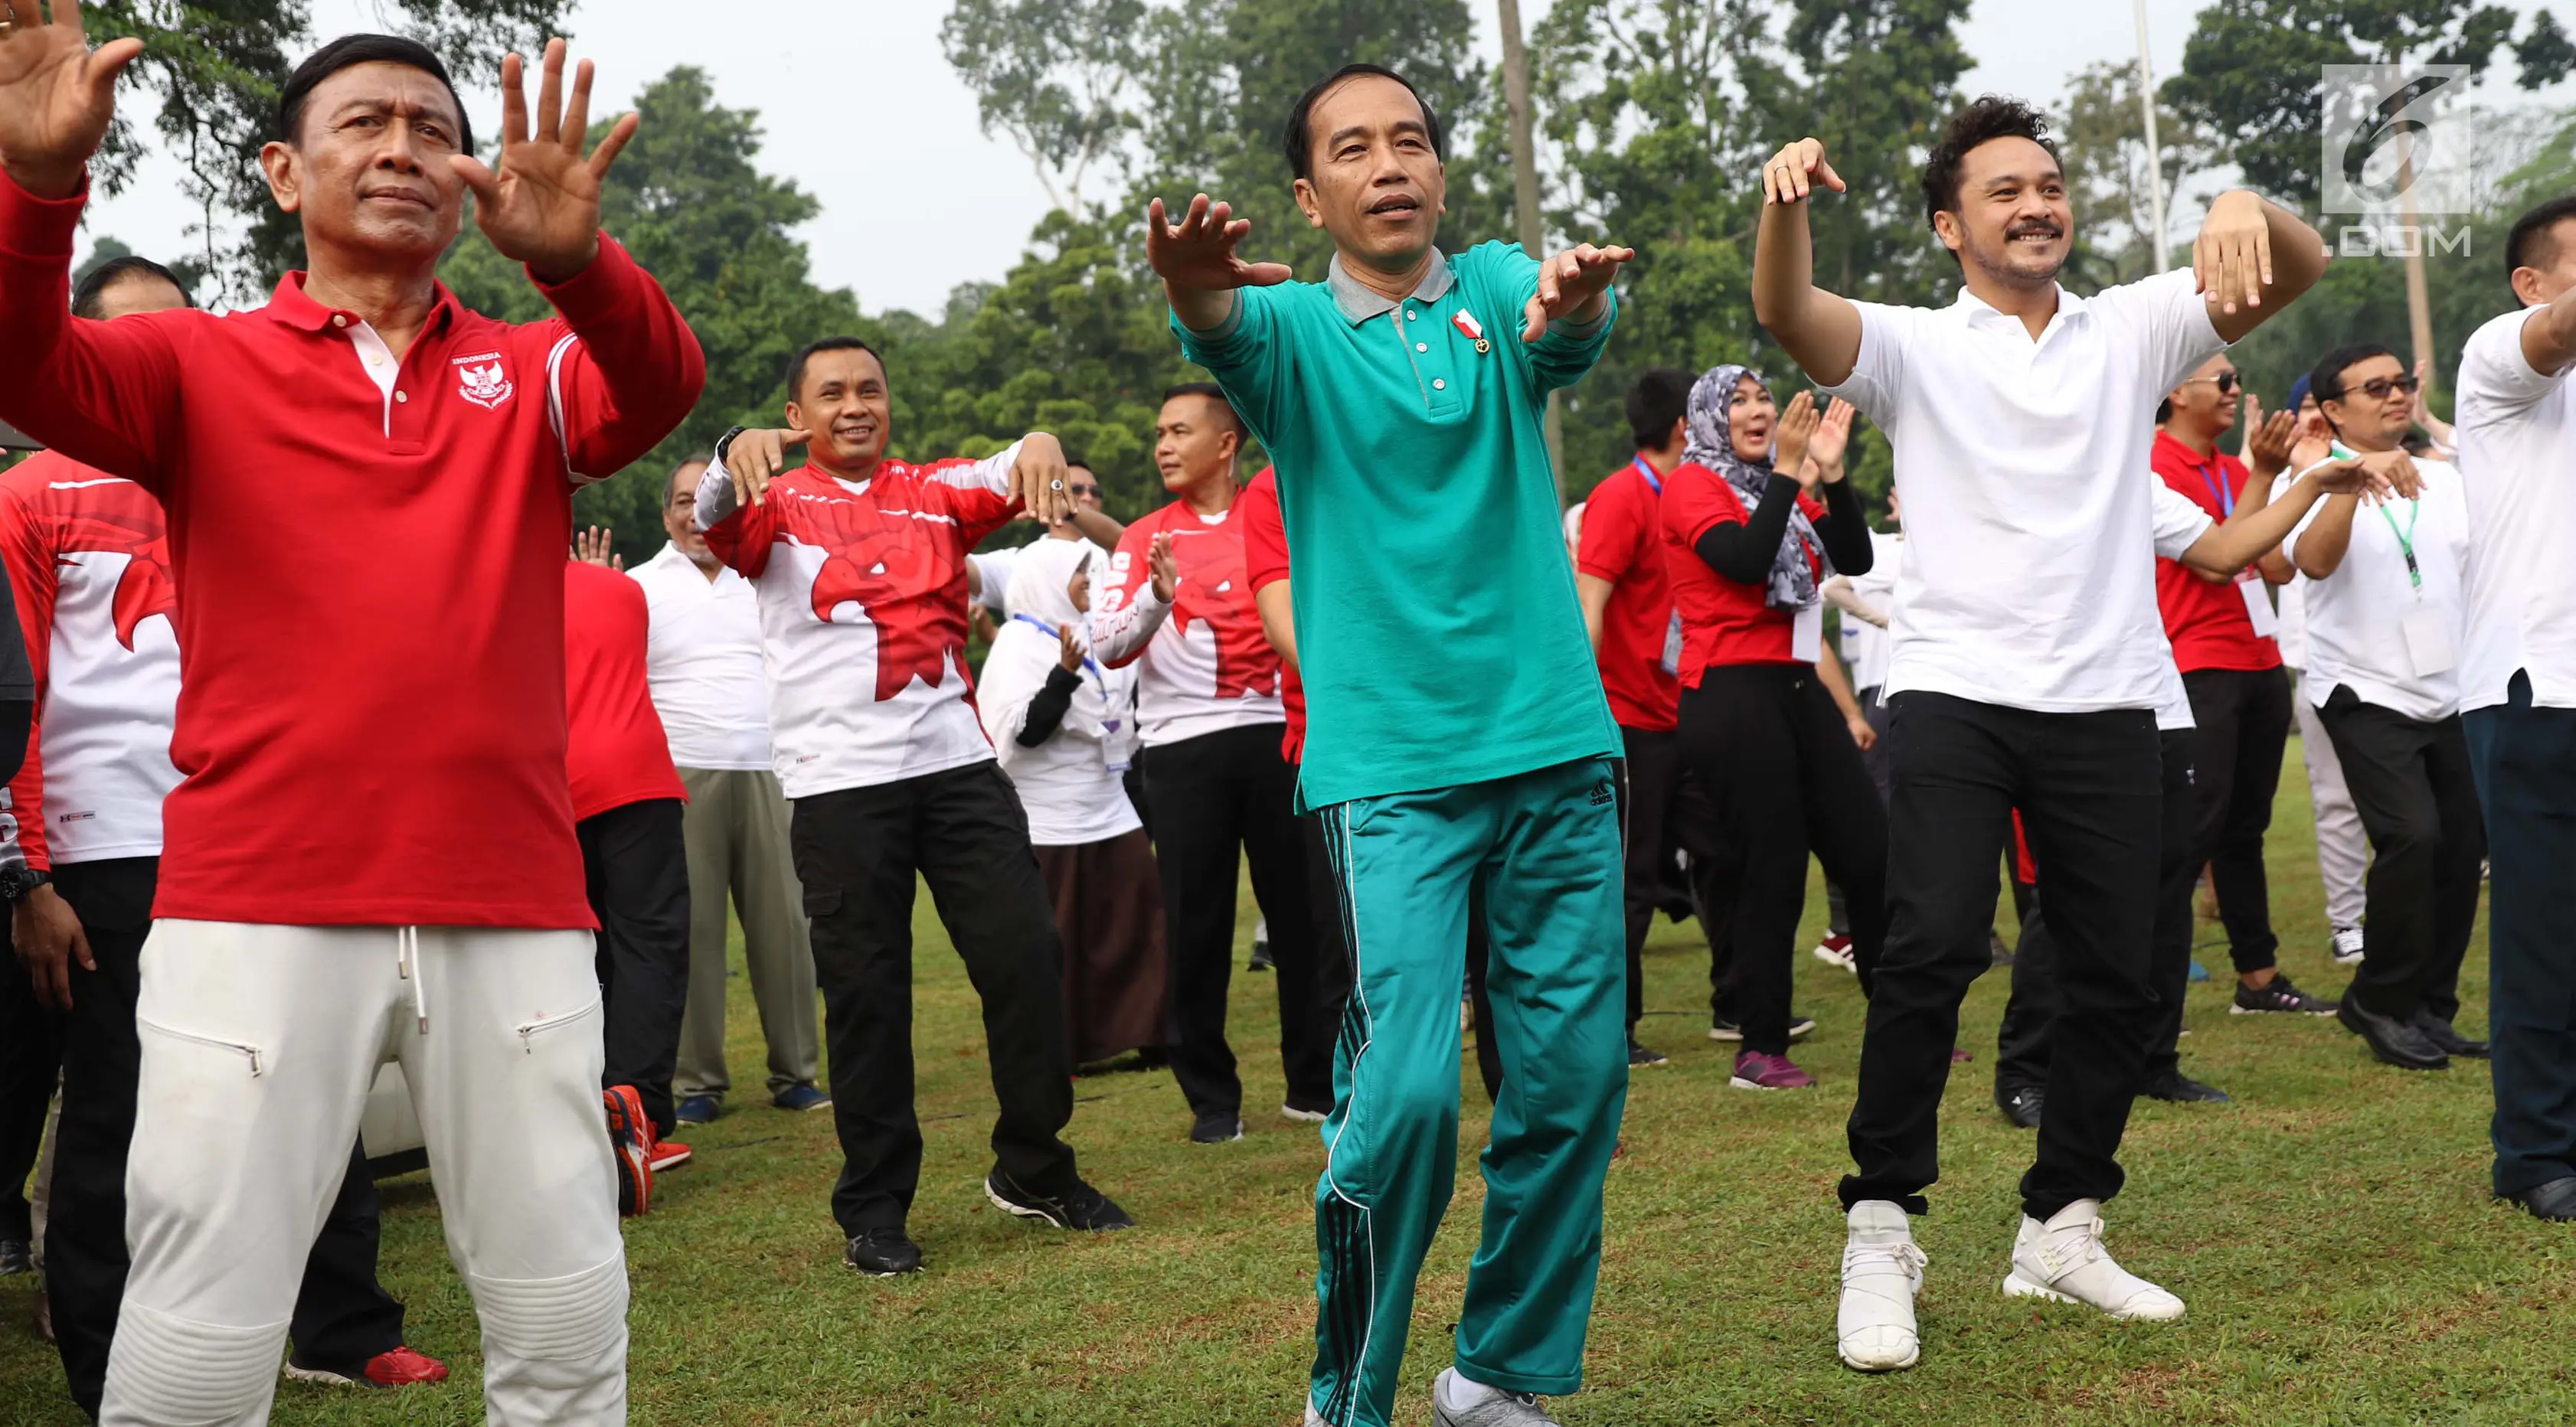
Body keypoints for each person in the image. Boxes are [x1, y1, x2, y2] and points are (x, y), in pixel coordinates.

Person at [0, 22, 707, 1421]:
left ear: (467, 177)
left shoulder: (529, 371)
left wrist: (575, 263)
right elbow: (23, 368)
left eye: (433, 129)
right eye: (363, 123)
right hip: (256, 903)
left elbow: (659, 389)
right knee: (198, 1331)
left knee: (564, 1312)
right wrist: (35, 187)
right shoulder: (191, 364)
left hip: (509, 904)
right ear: (280, 170)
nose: (402, 148)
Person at [1751, 96, 2327, 1369]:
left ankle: (2059, 1222)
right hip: (1956, 689)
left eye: (2048, 183)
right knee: (1933, 944)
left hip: (2110, 700)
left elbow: (2298, 264)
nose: (2034, 204)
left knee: (2121, 971)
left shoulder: (2128, 325)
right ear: (1948, 224)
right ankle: (1880, 1224)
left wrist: (2242, 207)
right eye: (2001, 190)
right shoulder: (1911, 344)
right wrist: (1780, 207)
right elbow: (1790, 314)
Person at [1150, 61, 1632, 1427]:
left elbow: (1555, 331)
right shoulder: (1291, 331)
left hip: (1550, 744)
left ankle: (1493, 1370)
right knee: (1406, 1092)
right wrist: (1190, 280)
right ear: (1308, 194)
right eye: (1351, 149)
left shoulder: (1487, 289)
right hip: (1394, 776)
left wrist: (1575, 300)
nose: (1389, 165)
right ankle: (1346, 1394)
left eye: (1409, 140)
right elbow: (1216, 323)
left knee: (1572, 1079)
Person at [2, 252, 452, 1410]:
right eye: (131, 342)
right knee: (119, 1102)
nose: (164, 360)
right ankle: (104, 1360)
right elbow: (20, 692)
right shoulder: (32, 492)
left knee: (320, 1069)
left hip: (271, 828)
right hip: (106, 843)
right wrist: (32, 872)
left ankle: (342, 1326)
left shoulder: (252, 471)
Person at [696, 336, 1132, 1278]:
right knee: (868, 998)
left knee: (1025, 954)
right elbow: (713, 512)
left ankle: (1034, 1168)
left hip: (958, 772)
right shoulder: (769, 499)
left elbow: (1015, 464)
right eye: (831, 394)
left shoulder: (932, 490)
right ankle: (876, 1206)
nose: (855, 404)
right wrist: (733, 446)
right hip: (838, 785)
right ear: (798, 416)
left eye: (870, 389)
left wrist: (1044, 436)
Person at [1995, 448, 2392, 1126]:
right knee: (2073, 887)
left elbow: (2222, 553)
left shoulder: (2129, 476)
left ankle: (2152, 1058)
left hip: (2157, 695)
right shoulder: (2024, 474)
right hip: (2071, 702)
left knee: (2171, 880)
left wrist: (2317, 482)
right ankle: (2027, 1068)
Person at [1090, 384, 1322, 1140]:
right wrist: (1158, 597)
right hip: (1181, 751)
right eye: (1157, 431)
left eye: (1178, 430)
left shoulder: (1278, 515)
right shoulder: (1142, 536)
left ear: (1225, 442)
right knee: (1196, 925)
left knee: (1302, 920)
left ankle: (1313, 1082)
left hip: (1277, 737)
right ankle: (1212, 1099)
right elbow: (1108, 642)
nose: (1161, 445)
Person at [1659, 369, 1881, 1092]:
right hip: (1730, 694)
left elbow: (1855, 559)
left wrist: (1834, 473)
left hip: (1796, 687)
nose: (1757, 411)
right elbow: (1744, 563)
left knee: (1869, 852)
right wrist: (1788, 469)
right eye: (1739, 402)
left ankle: (1904, 1030)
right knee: (1773, 873)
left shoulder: (1772, 492)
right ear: (1704, 419)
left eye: (1763, 398)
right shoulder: (1694, 485)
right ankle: (1759, 1049)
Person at [2287, 345, 2486, 1070]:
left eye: (2402, 382)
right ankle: (2377, 999)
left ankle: (2432, 1006)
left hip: (2452, 687)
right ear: (2334, 408)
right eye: (2376, 387)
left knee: (2463, 848)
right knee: (2414, 837)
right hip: (2363, 688)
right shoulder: (2309, 475)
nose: (2397, 394)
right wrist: (2344, 480)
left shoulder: (2443, 479)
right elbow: (2310, 562)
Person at [629, 459, 826, 1126]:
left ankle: (796, 1072)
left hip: (772, 767)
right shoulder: (638, 588)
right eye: (681, 502)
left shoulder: (762, 574)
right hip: (681, 773)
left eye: (703, 501)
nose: (693, 515)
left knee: (786, 928)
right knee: (694, 932)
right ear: (666, 515)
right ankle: (697, 1082)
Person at [2456, 194, 2576, 1222]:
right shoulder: (2504, 361)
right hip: (2535, 690)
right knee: (2543, 932)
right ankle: (2536, 1151)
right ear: (2532, 282)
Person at [2153, 358, 2325, 1014]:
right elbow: (2220, 561)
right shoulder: (2156, 468)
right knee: (2191, 832)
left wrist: (2286, 475)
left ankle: (2258, 977)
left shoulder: (2234, 469)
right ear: (2175, 390)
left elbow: (2276, 567)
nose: (2234, 391)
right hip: (2197, 663)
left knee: (2244, 830)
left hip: (2259, 661)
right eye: (2220, 380)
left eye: (2237, 378)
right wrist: (2263, 476)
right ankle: (2151, 988)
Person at [978, 537, 1169, 1066]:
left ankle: (1150, 1033)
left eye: (1090, 571)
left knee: (1139, 918)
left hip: (1108, 801)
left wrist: (1154, 597)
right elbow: (1025, 732)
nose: (1089, 581)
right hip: (1049, 816)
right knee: (1059, 937)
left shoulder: (1094, 634)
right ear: (1046, 579)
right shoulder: (1017, 643)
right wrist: (1063, 675)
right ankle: (1063, 1048)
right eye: (1078, 573)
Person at [566, 532, 694, 1204]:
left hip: (554, 788)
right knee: (652, 949)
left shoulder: (492, 596)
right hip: (636, 781)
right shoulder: (622, 590)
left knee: (579, 956)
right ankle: (637, 1113)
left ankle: (584, 1113)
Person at [1573, 367, 1692, 1068]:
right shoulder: (1622, 497)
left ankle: (1741, 1004)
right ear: (1684, 426)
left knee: (1727, 856)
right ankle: (1616, 1029)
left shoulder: (1689, 494)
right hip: (1630, 720)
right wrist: (1590, 719)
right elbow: (1591, 607)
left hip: (1691, 710)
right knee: (1633, 879)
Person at [2272, 376, 2373, 966]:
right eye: (2304, 408)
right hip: (2320, 663)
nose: (2314, 420)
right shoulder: (2291, 482)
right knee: (2336, 799)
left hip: (2398, 662)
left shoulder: (2381, 470)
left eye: (2321, 408)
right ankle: (2347, 922)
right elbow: (2277, 564)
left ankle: (2401, 910)